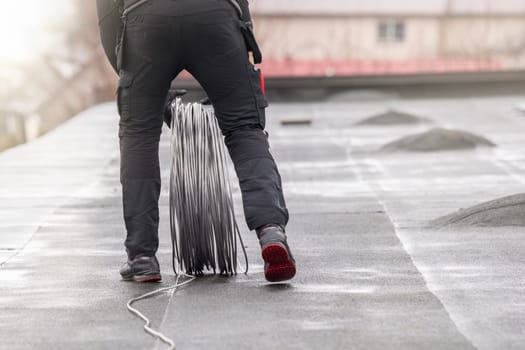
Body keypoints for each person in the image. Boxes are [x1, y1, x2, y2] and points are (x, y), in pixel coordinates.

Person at [96, 0, 296, 283]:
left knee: (139, 134)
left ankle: (141, 258)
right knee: (244, 128)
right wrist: (244, 37)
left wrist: (130, 74)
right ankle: (271, 230)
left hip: (146, 20)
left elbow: (107, 14)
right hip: (215, 15)